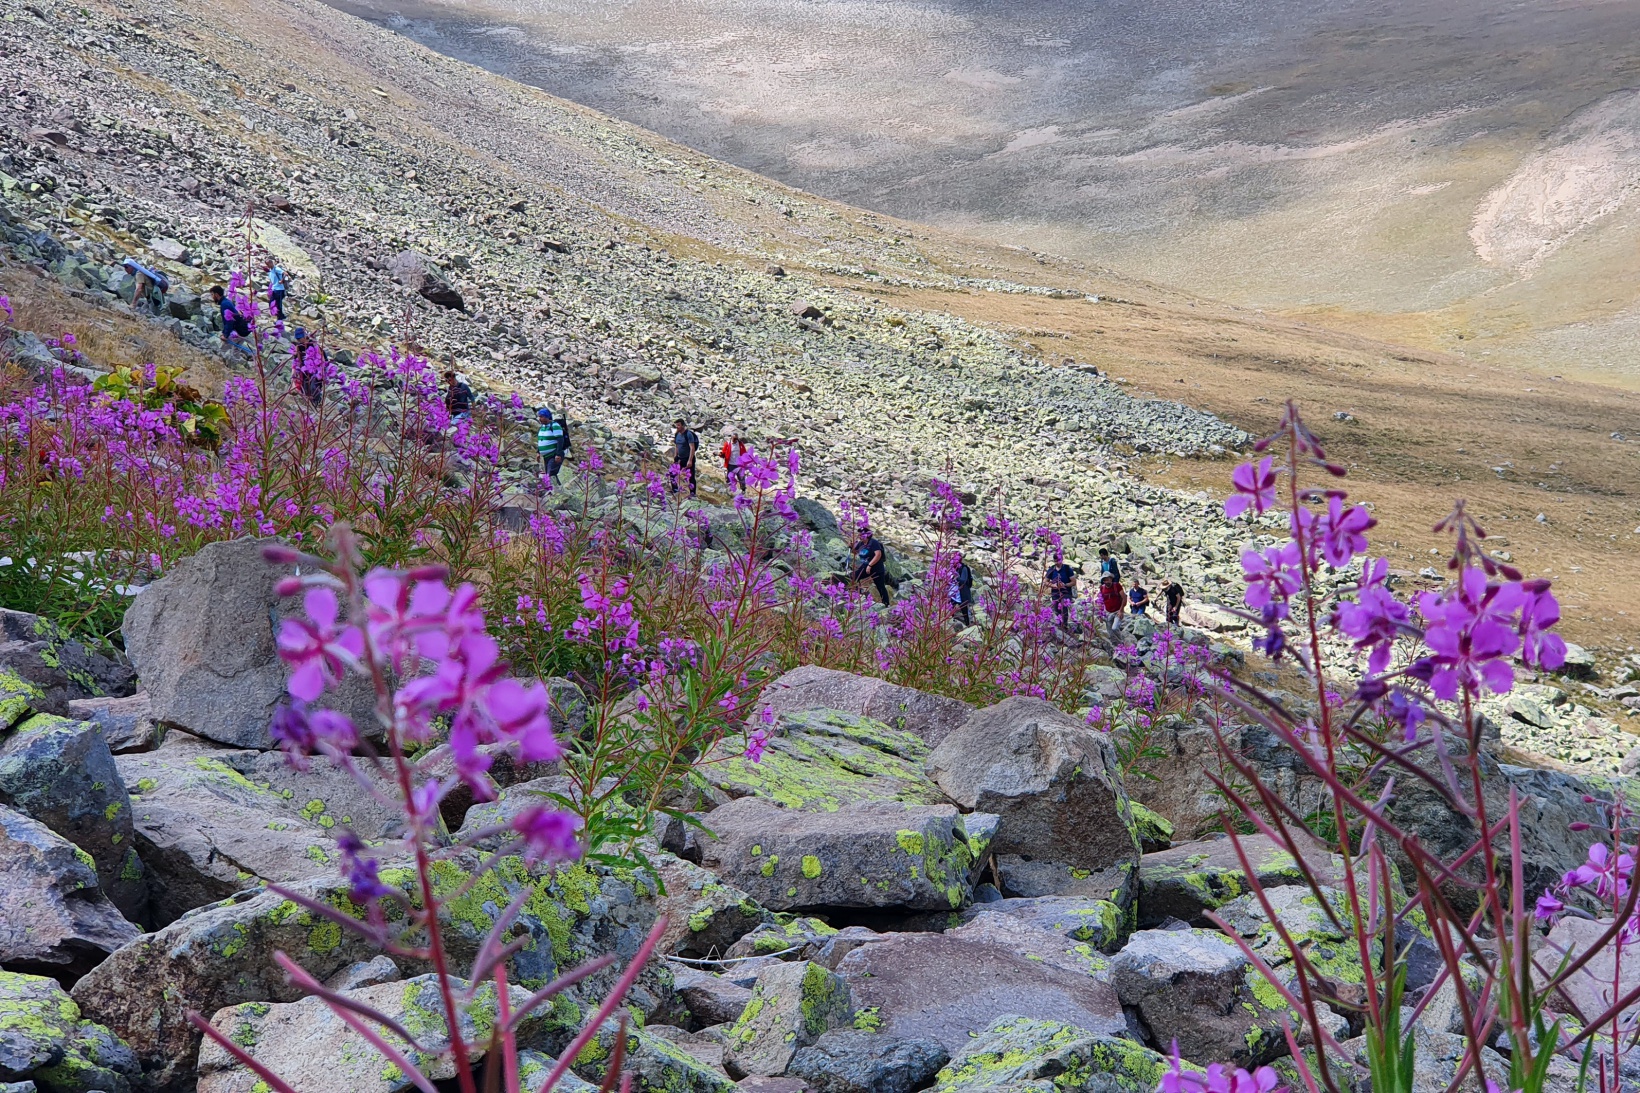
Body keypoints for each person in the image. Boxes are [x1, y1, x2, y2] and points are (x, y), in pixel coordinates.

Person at [853, 525, 890, 607]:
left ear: (867, 535)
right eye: (859, 535)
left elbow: (878, 555)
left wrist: (870, 565)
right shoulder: (861, 543)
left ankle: (886, 604)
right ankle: (858, 595)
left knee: (880, 587)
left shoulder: (874, 543)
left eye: (862, 535)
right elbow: (855, 551)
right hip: (865, 567)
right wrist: (851, 546)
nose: (860, 536)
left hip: (877, 568)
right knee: (854, 577)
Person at [291, 328, 326, 406]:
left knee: (314, 386)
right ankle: (310, 406)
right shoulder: (298, 346)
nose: (299, 340)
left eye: (300, 338)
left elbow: (322, 359)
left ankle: (317, 403)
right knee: (305, 388)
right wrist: (294, 377)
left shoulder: (313, 344)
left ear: (305, 336)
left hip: (317, 369)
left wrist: (320, 370)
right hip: (305, 371)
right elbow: (297, 361)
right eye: (297, 338)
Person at [537, 408, 569, 488]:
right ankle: (553, 489)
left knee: (550, 474)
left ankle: (556, 491)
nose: (540, 419)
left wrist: (558, 454)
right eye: (539, 417)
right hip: (546, 456)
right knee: (549, 473)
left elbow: (560, 440)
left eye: (542, 417)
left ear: (547, 417)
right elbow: (541, 440)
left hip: (554, 455)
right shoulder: (543, 427)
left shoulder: (554, 425)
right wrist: (538, 452)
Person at [1045, 552, 1077, 630]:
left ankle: (1064, 625)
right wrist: (1053, 585)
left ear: (1062, 560)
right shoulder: (1051, 569)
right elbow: (1046, 581)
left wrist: (1065, 585)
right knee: (1056, 609)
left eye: (1058, 560)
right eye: (1055, 561)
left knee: (1064, 607)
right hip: (1055, 592)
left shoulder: (1067, 569)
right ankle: (1059, 625)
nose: (1057, 563)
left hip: (1066, 592)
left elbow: (1073, 582)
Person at [671, 418, 699, 497]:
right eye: (676, 425)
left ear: (683, 425)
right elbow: (677, 446)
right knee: (672, 474)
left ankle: (693, 493)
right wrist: (675, 456)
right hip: (680, 458)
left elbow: (692, 448)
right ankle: (675, 490)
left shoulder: (688, 434)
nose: (677, 427)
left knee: (691, 476)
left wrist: (690, 460)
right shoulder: (677, 434)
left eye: (679, 425)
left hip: (688, 458)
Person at [950, 551, 974, 626]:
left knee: (964, 611)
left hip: (961, 594)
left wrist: (956, 577)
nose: (953, 560)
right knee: (950, 610)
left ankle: (967, 625)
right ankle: (952, 624)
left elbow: (964, 580)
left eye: (955, 559)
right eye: (952, 559)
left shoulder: (964, 568)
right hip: (952, 593)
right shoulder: (951, 568)